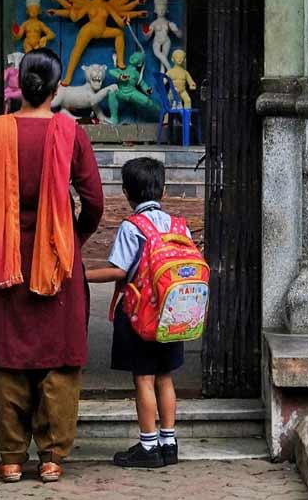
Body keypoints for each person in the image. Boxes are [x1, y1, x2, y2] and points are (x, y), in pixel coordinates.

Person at [0, 48, 104, 484]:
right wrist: (70, 237)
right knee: (58, 360)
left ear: (19, 84)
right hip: (57, 262)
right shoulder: (70, 133)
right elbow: (93, 200)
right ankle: (52, 457)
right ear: (57, 89)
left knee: (8, 359)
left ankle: (11, 458)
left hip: (1, 261)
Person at [86, 157, 186, 468]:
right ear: (164, 189)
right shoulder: (176, 224)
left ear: (127, 193)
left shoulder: (132, 227)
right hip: (173, 313)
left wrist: (82, 275)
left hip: (140, 313)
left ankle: (148, 446)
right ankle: (169, 443)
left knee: (143, 378)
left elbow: (119, 270)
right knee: (165, 377)